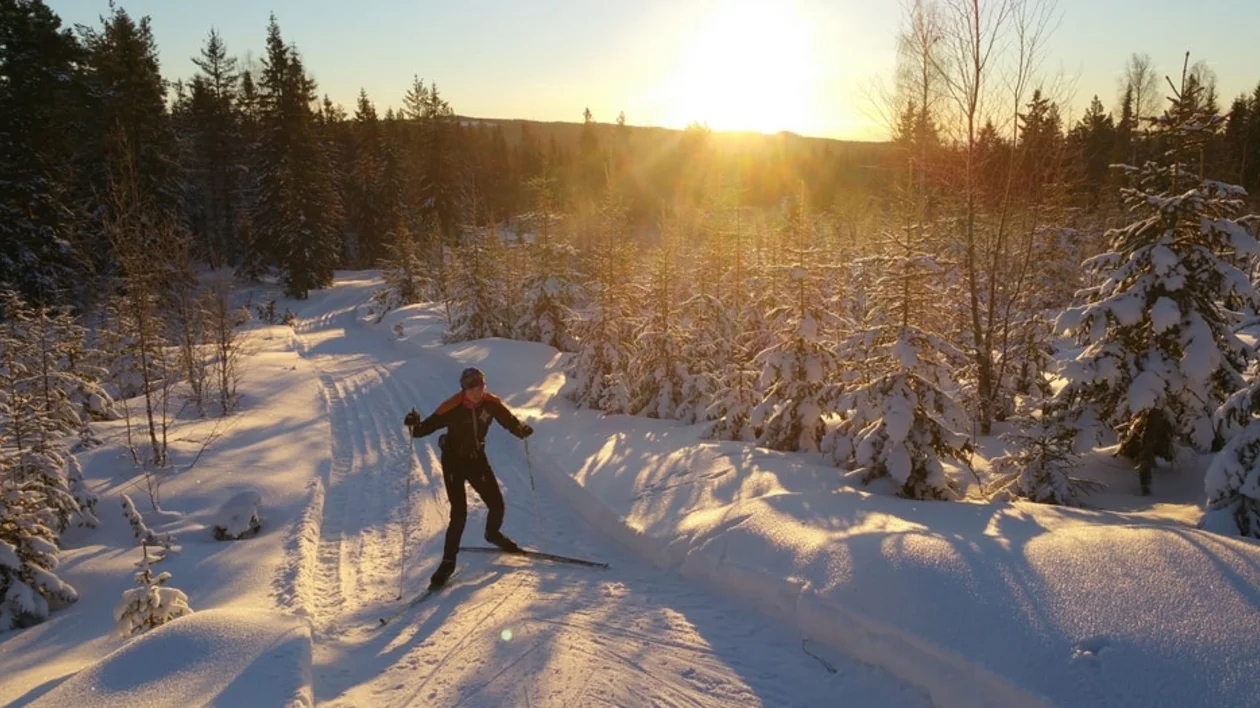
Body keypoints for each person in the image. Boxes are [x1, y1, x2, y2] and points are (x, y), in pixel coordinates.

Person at [403, 367, 534, 588]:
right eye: (472, 387)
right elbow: (422, 431)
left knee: (497, 504)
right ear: (464, 389)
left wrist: (520, 429)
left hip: (477, 460)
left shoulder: (491, 403)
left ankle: (492, 534)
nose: (477, 391)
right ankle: (447, 563)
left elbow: (509, 421)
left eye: (481, 385)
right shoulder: (452, 407)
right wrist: (413, 423)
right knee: (459, 514)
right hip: (453, 463)